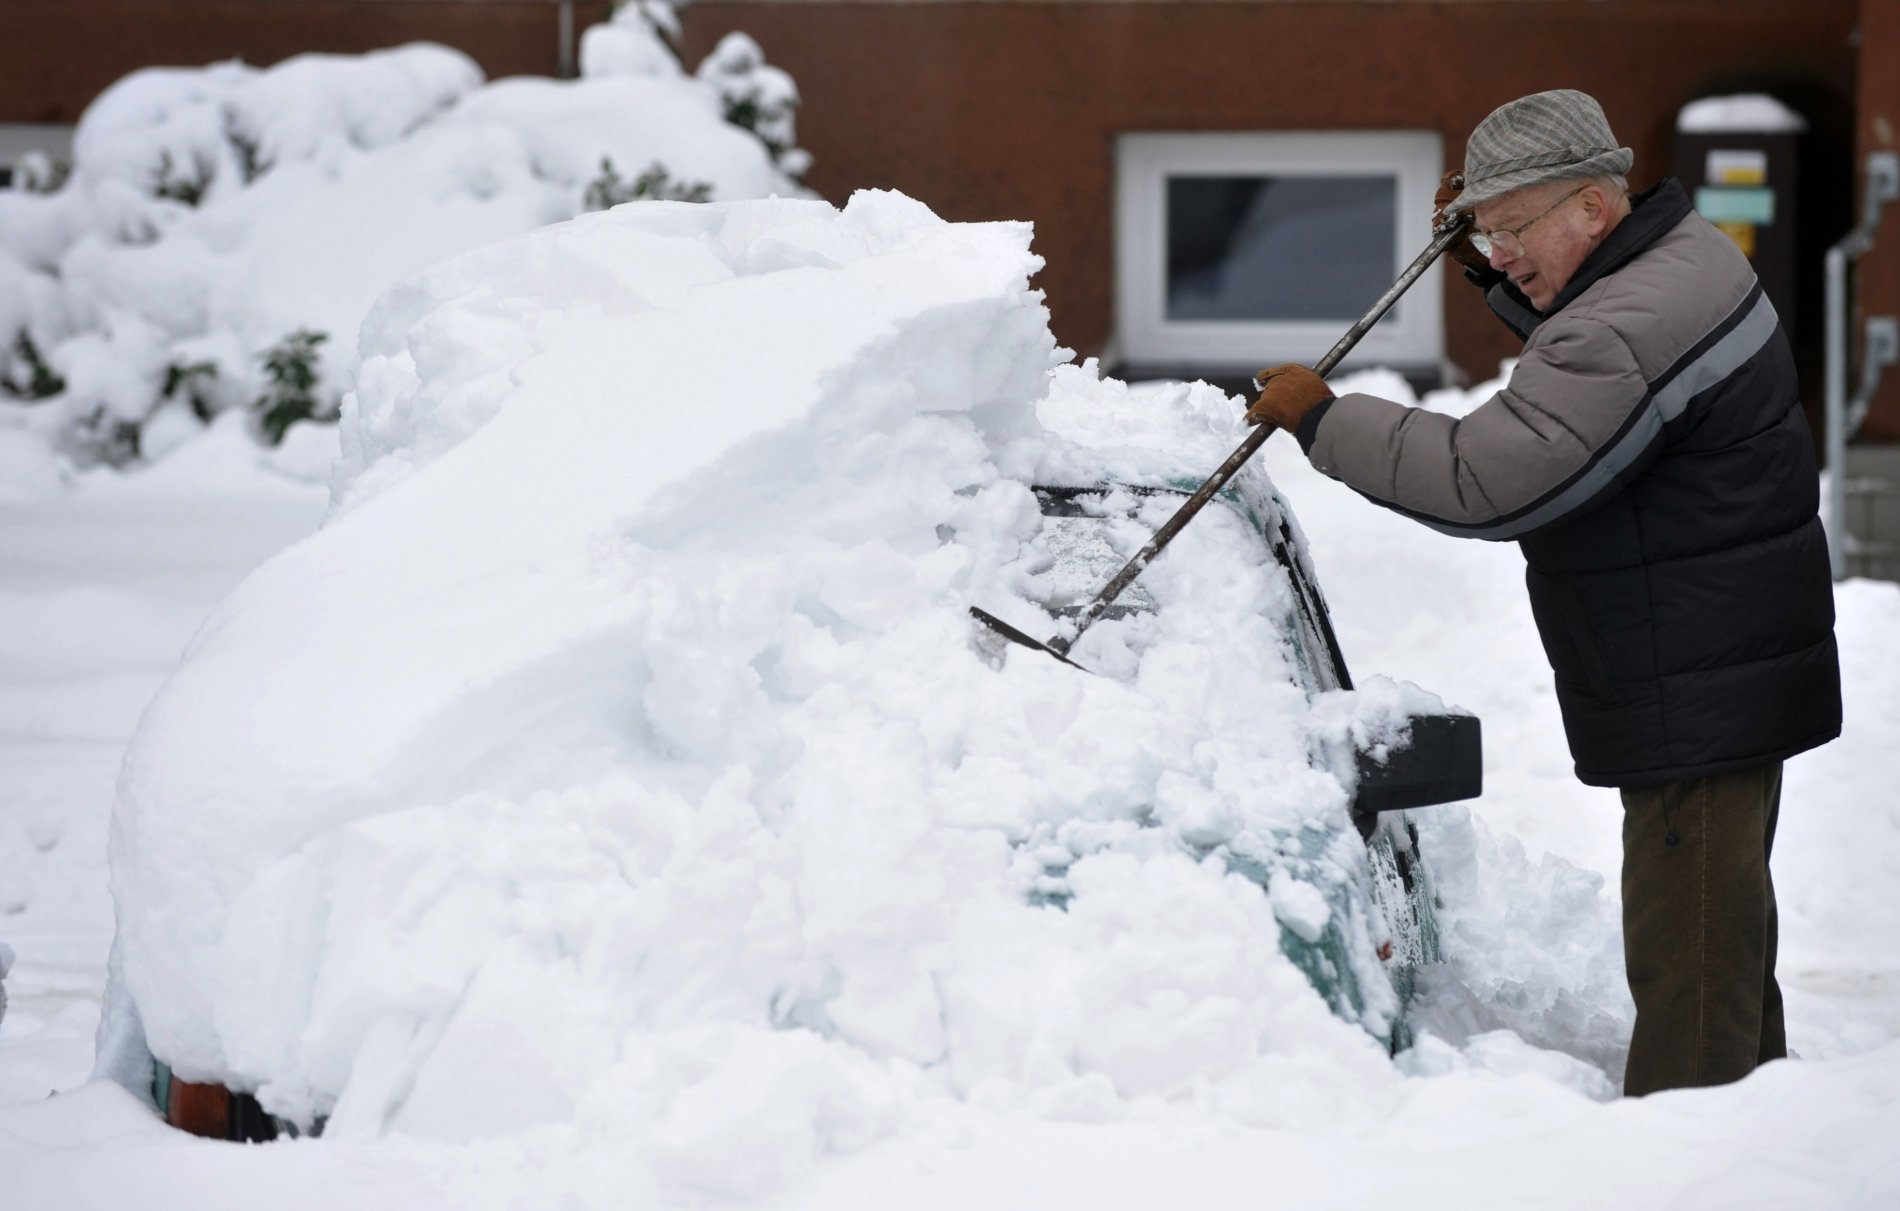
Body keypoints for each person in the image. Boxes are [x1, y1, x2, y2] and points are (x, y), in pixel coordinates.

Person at [1246, 89, 1841, 1096]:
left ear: (1593, 211)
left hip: (1689, 674)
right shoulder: (1682, 260)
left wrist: (1326, 422)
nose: (1501, 252)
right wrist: (1498, 246)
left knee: (1690, 956)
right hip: (1721, 659)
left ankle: (1694, 1155)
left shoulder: (1624, 322)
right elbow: (1588, 356)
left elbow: (1492, 475)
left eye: (1513, 228)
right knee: (1721, 940)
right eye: (1484, 233)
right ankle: (1755, 1122)